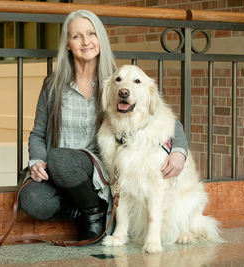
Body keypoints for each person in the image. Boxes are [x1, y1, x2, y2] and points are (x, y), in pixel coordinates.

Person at [18, 10, 189, 242]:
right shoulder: (53, 84)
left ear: (100, 39)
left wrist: (179, 151)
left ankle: (95, 213)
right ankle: (92, 211)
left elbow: (164, 116)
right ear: (68, 44)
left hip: (99, 169)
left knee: (61, 158)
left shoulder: (117, 80)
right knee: (30, 199)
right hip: (59, 170)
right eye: (77, 36)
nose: (86, 41)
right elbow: (38, 133)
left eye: (91, 34)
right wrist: (37, 160)